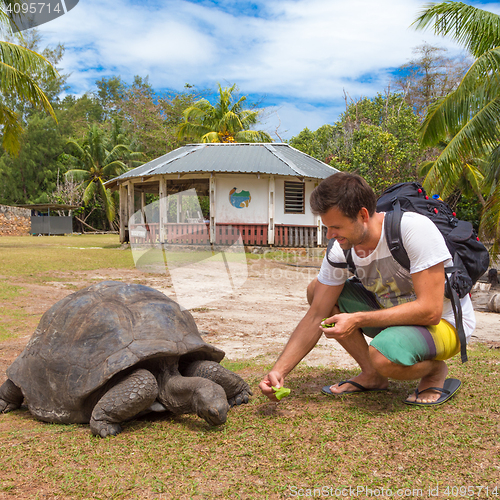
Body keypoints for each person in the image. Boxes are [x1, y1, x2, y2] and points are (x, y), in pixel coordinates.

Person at [259, 172, 475, 405]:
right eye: (327, 227)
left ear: (362, 215)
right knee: (317, 292)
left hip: (444, 323)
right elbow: (316, 315)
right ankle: (372, 375)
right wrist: (279, 371)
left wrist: (357, 319)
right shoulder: (340, 249)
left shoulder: (413, 229)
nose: (330, 235)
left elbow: (430, 311)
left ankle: (434, 371)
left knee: (382, 356)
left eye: (336, 227)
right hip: (394, 318)